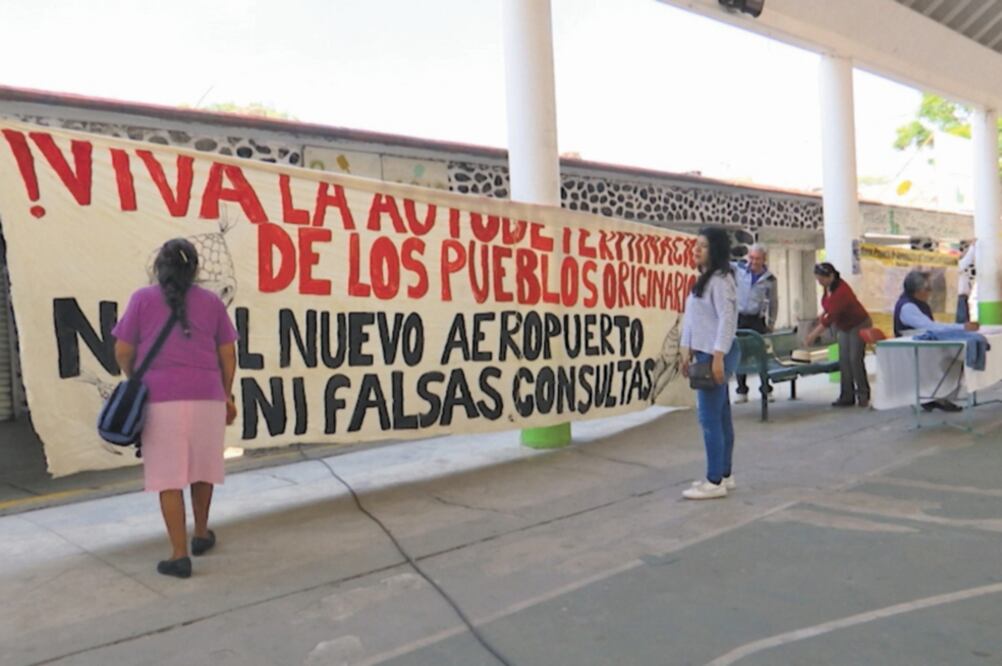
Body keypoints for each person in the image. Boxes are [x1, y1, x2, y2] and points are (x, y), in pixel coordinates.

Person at [113, 239, 239, 579]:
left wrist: (136, 378)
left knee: (169, 478)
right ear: (195, 269)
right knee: (202, 469)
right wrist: (226, 396)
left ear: (159, 267)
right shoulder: (212, 302)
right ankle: (201, 533)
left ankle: (179, 554)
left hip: (159, 400)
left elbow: (123, 350)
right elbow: (228, 355)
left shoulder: (142, 299)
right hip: (208, 398)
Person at [680, 227, 740, 500]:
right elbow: (693, 318)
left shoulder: (721, 280)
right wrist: (685, 348)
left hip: (714, 354)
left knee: (709, 418)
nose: (696, 250)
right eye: (696, 245)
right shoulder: (704, 279)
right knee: (721, 415)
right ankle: (724, 474)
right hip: (704, 352)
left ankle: (714, 480)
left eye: (702, 246)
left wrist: (718, 356)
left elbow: (727, 319)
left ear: (715, 249)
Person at [894, 270, 979, 412]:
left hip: (925, 346)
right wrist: (961, 327)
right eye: (927, 289)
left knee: (958, 358)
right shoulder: (908, 307)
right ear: (918, 291)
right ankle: (938, 396)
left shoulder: (918, 303)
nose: (930, 292)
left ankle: (938, 396)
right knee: (955, 359)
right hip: (915, 350)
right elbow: (931, 327)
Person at [804, 262, 872, 408]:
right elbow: (828, 309)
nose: (819, 282)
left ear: (831, 276)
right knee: (844, 360)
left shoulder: (842, 291)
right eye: (817, 279)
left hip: (858, 324)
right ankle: (847, 396)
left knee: (855, 359)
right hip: (843, 326)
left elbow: (830, 318)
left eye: (821, 279)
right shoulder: (828, 288)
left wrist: (812, 335)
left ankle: (863, 394)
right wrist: (818, 319)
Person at [733, 243, 778, 404]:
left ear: (763, 259)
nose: (753, 262)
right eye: (751, 258)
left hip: (757, 319)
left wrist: (771, 322)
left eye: (757, 259)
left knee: (762, 355)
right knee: (739, 354)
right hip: (739, 318)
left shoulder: (770, 279)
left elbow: (774, 302)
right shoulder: (738, 270)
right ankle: (741, 390)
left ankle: (766, 389)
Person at [956, 240, 976, 324]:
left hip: (963, 298)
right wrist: (972, 247)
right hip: (960, 298)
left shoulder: (961, 268)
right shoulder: (958, 265)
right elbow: (968, 259)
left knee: (965, 321)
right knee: (963, 323)